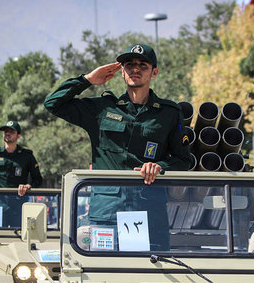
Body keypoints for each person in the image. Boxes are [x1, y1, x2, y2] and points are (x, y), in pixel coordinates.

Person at [44, 43, 191, 250]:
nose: (135, 69)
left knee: (153, 274)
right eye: (129, 64)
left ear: (154, 72)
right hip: (107, 213)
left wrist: (159, 166)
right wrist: (87, 80)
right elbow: (53, 103)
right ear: (122, 72)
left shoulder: (169, 113)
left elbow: (183, 160)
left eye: (143, 65)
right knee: (105, 277)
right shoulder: (102, 108)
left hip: (148, 212)